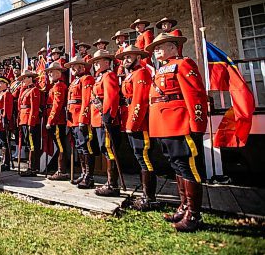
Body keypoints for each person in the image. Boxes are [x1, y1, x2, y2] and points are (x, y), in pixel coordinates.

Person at [145, 33, 208, 232]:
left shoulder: (184, 64)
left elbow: (195, 94)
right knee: (176, 165)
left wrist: (197, 124)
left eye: (160, 46)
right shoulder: (160, 69)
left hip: (179, 122)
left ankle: (194, 214)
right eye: (155, 48)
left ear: (174, 47)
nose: (156, 50)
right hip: (164, 123)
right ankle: (184, 207)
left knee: (187, 166)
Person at [116, 45, 156, 210]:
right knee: (140, 158)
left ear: (138, 58)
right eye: (124, 57)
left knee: (144, 158)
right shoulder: (131, 74)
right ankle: (145, 195)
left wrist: (133, 123)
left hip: (140, 123)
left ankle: (149, 197)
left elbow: (139, 100)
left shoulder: (141, 73)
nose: (125, 60)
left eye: (129, 57)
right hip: (130, 120)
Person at [89, 50, 121, 196]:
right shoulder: (99, 77)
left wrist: (108, 115)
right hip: (97, 119)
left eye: (98, 61)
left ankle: (112, 184)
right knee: (104, 148)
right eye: (94, 62)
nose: (95, 64)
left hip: (105, 119)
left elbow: (111, 97)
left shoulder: (109, 75)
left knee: (109, 149)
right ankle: (109, 181)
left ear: (107, 62)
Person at [65, 56, 94, 188]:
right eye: (71, 67)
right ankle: (83, 173)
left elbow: (86, 100)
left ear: (82, 67)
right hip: (73, 118)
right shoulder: (74, 82)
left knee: (85, 146)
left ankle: (89, 176)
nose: (73, 69)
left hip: (80, 117)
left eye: (75, 66)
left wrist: (83, 118)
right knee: (79, 146)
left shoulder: (86, 78)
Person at [44, 61, 69, 180]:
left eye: (51, 72)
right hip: (55, 119)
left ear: (59, 72)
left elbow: (57, 105)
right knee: (59, 145)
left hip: (58, 120)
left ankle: (62, 171)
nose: (49, 74)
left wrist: (50, 120)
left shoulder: (59, 85)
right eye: (48, 72)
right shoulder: (54, 86)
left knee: (60, 146)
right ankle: (61, 170)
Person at [17, 69, 41, 177]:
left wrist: (31, 122)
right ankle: (30, 166)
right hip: (23, 119)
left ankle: (32, 168)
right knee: (28, 143)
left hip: (29, 120)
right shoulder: (24, 90)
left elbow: (34, 108)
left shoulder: (34, 90)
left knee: (32, 145)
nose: (22, 80)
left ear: (30, 78)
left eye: (24, 78)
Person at [0, 75, 14, 171]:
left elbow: (8, 108)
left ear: (6, 84)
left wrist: (6, 119)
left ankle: (6, 163)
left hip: (3, 121)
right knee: (2, 142)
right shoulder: (0, 94)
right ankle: (4, 161)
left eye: (1, 83)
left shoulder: (7, 94)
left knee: (5, 142)